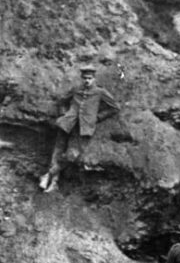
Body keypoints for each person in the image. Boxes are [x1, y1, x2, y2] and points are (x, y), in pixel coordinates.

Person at [39, 64, 120, 192]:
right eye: (85, 78)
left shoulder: (99, 92)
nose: (87, 81)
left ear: (94, 78)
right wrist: (64, 114)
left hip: (84, 128)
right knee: (58, 151)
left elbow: (115, 108)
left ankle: (48, 174)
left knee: (72, 155)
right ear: (81, 78)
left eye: (89, 78)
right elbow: (62, 100)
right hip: (67, 124)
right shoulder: (76, 89)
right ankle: (53, 183)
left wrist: (97, 118)